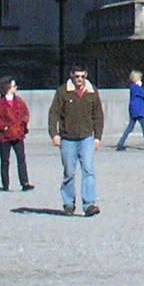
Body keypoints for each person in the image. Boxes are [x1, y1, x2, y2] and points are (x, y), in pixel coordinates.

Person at [49, 67, 104, 216]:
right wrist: (54, 134)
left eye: (82, 76)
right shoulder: (63, 91)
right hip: (67, 138)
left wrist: (98, 137)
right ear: (72, 76)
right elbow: (54, 113)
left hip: (87, 137)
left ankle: (89, 204)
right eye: (77, 76)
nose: (79, 79)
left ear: (86, 76)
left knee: (88, 171)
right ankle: (68, 203)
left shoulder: (92, 92)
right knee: (69, 172)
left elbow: (98, 115)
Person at [0, 79, 32, 190]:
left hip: (18, 134)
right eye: (14, 86)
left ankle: (25, 182)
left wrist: (22, 125)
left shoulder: (19, 101)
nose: (16, 87)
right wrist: (3, 127)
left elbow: (25, 114)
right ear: (7, 87)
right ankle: (5, 184)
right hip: (4, 135)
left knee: (21, 158)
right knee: (5, 160)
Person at [116, 70, 144, 150]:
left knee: (130, 127)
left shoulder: (135, 87)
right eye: (140, 79)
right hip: (138, 111)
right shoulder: (134, 87)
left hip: (134, 111)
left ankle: (121, 143)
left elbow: (143, 91)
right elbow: (142, 93)